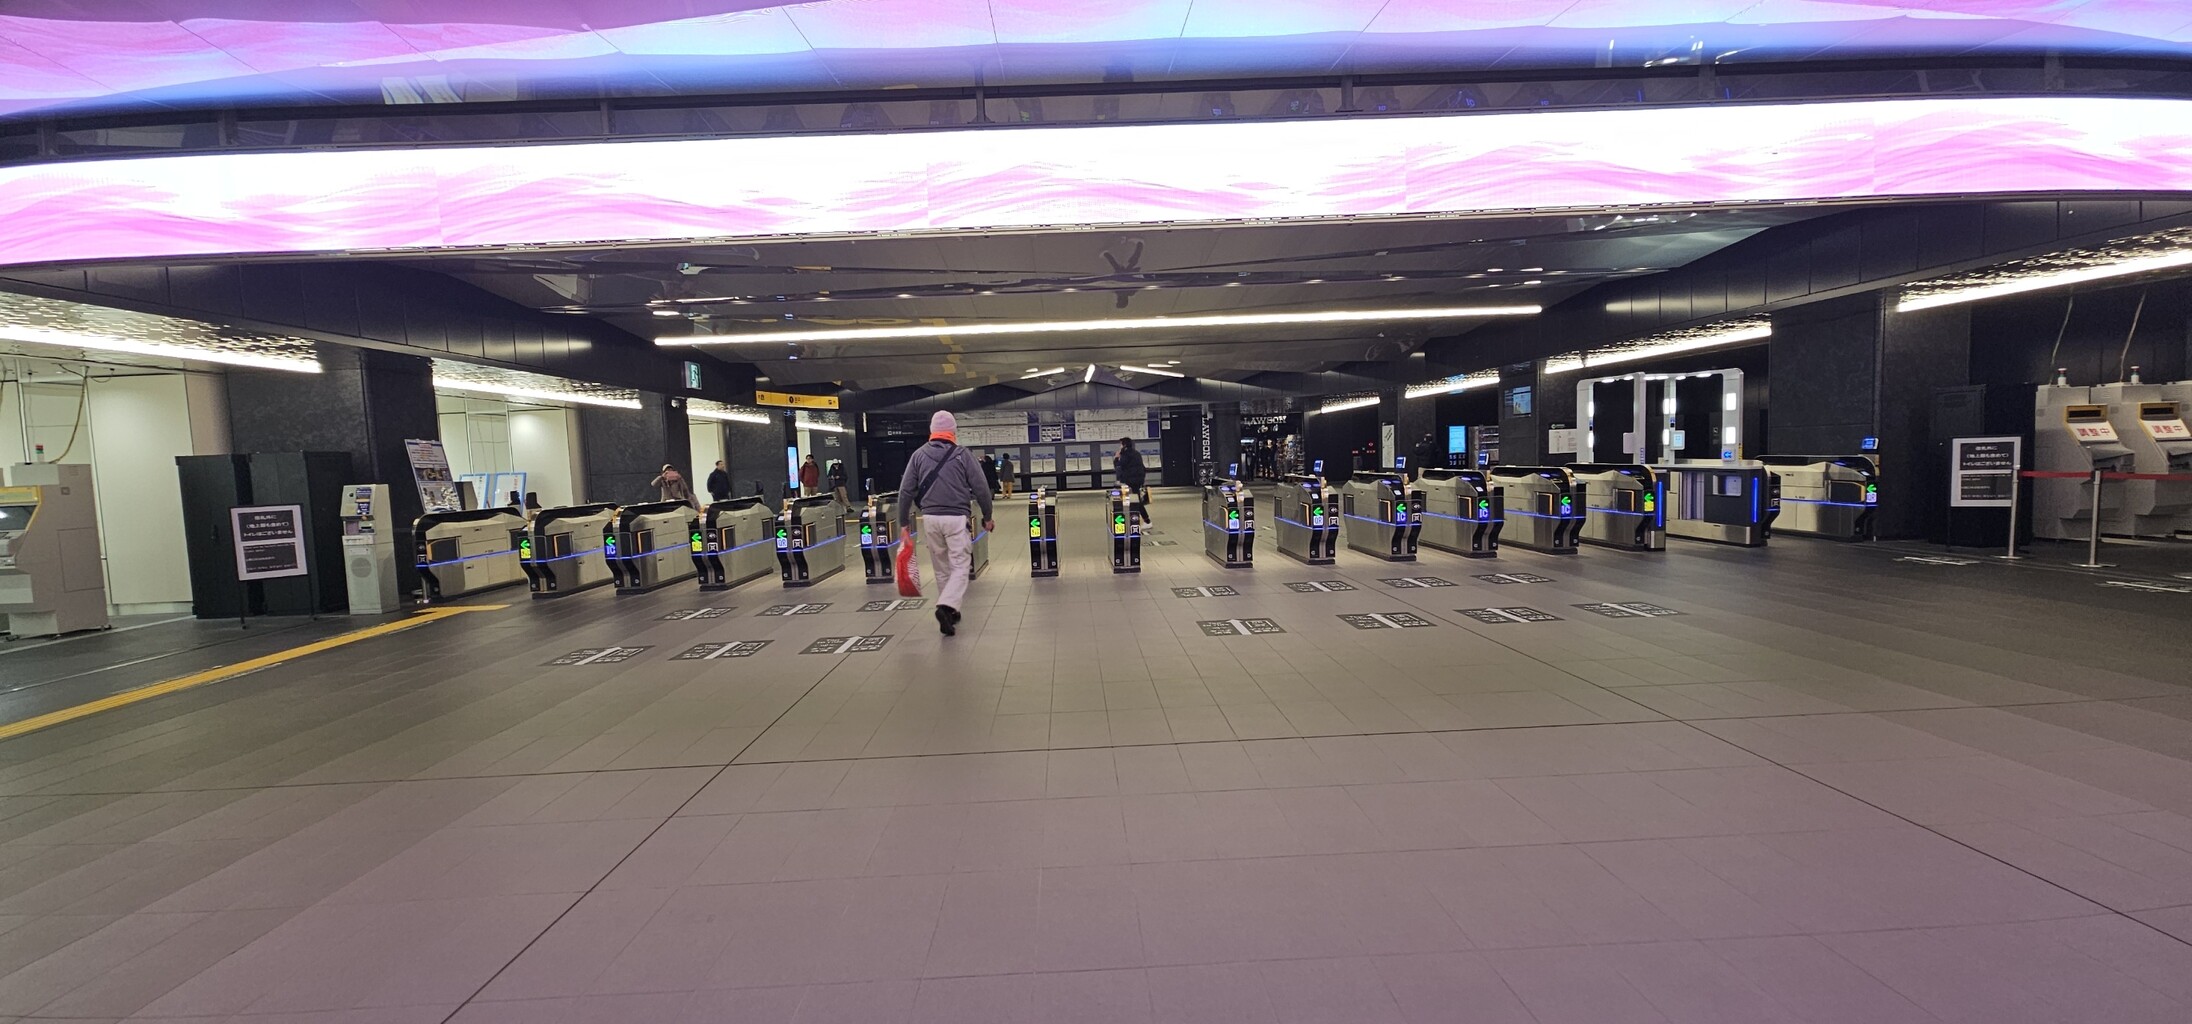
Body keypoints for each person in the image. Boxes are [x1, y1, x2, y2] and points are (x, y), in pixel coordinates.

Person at [897, 410, 993, 636]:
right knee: (960, 565)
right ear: (953, 432)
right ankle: (946, 605)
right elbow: (981, 487)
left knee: (941, 567)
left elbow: (906, 490)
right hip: (956, 518)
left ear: (932, 431)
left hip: (930, 518)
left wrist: (903, 522)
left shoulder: (918, 455)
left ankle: (950, 612)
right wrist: (987, 516)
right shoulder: (962, 454)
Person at [1113, 437, 1149, 524]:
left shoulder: (1126, 454)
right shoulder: (1136, 453)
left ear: (1124, 445)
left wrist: (1116, 458)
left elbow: (1119, 466)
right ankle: (1135, 518)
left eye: (1121, 444)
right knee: (1134, 499)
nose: (1120, 446)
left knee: (1135, 500)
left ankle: (1147, 520)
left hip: (1131, 480)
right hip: (1138, 479)